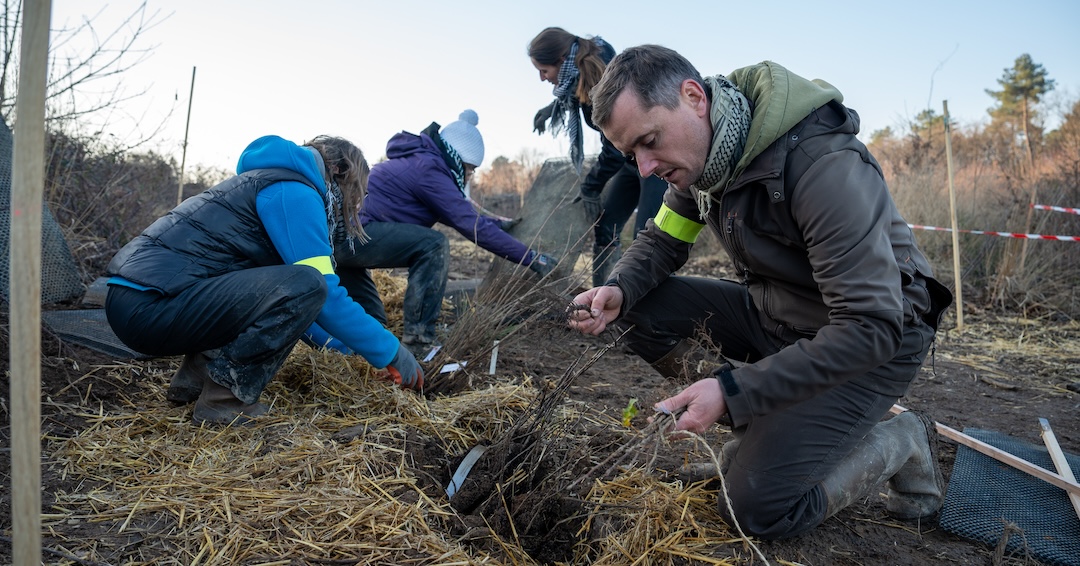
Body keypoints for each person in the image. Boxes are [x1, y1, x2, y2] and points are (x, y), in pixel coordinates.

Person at [566, 45, 953, 539]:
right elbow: (663, 240)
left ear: (693, 98)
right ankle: (759, 429)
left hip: (874, 340)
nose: (644, 167)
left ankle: (901, 439)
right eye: (631, 154)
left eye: (649, 141)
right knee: (634, 307)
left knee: (756, 510)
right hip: (780, 317)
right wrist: (618, 287)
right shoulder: (701, 164)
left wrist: (734, 391)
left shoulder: (822, 166)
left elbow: (869, 327)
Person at [104, 135, 425, 426]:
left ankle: (196, 378)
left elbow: (297, 311)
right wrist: (392, 351)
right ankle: (224, 402)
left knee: (294, 284)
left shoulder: (264, 182)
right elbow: (320, 293)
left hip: (140, 301)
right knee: (309, 282)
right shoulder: (295, 192)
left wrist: (354, 354)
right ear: (340, 171)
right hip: (150, 307)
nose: (353, 205)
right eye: (357, 191)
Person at [303, 110, 557, 359]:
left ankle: (341, 356)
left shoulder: (423, 162)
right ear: (458, 158)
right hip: (351, 238)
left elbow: (458, 213)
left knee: (375, 324)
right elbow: (469, 225)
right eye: (470, 168)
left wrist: (496, 225)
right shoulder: (430, 168)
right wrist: (532, 258)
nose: (470, 175)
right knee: (433, 245)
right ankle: (419, 339)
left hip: (344, 241)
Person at [528, 27, 668, 287]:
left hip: (654, 161)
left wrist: (591, 187)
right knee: (606, 228)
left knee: (648, 237)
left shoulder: (599, 79)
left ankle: (648, 314)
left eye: (544, 71)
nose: (541, 78)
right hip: (631, 163)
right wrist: (552, 107)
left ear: (561, 60)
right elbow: (574, 96)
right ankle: (603, 298)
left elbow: (613, 148)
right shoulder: (580, 71)